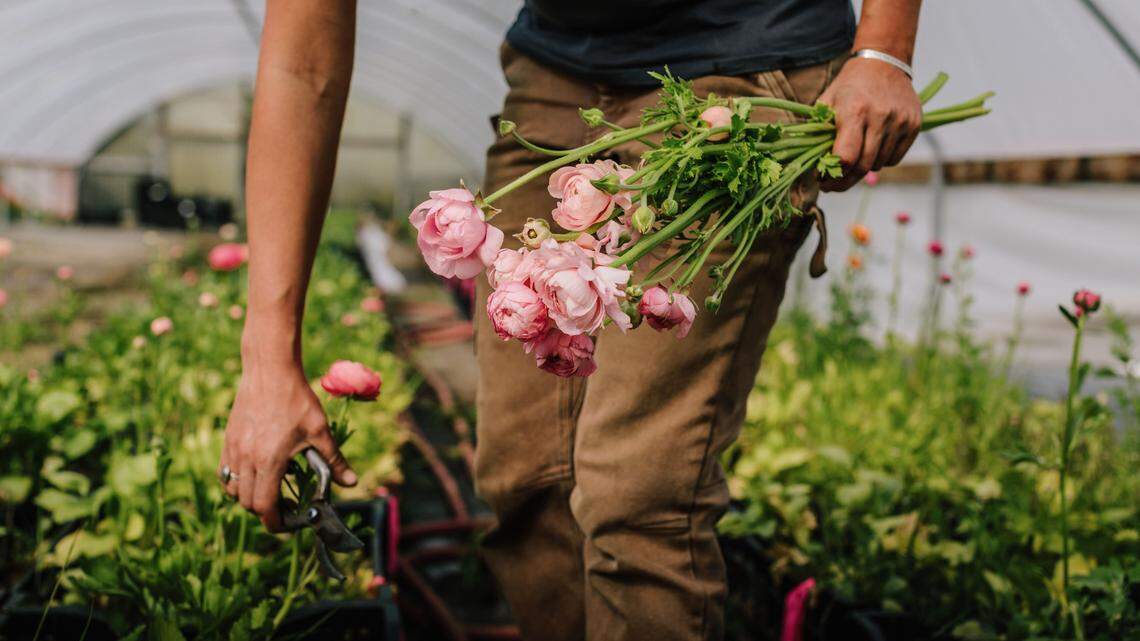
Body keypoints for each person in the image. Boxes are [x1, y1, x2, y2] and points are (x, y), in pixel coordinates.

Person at [220, 1, 923, 639]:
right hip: (557, 76)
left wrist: (883, 49)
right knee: (526, 473)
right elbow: (300, 61)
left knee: (638, 490)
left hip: (747, 61)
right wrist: (268, 362)